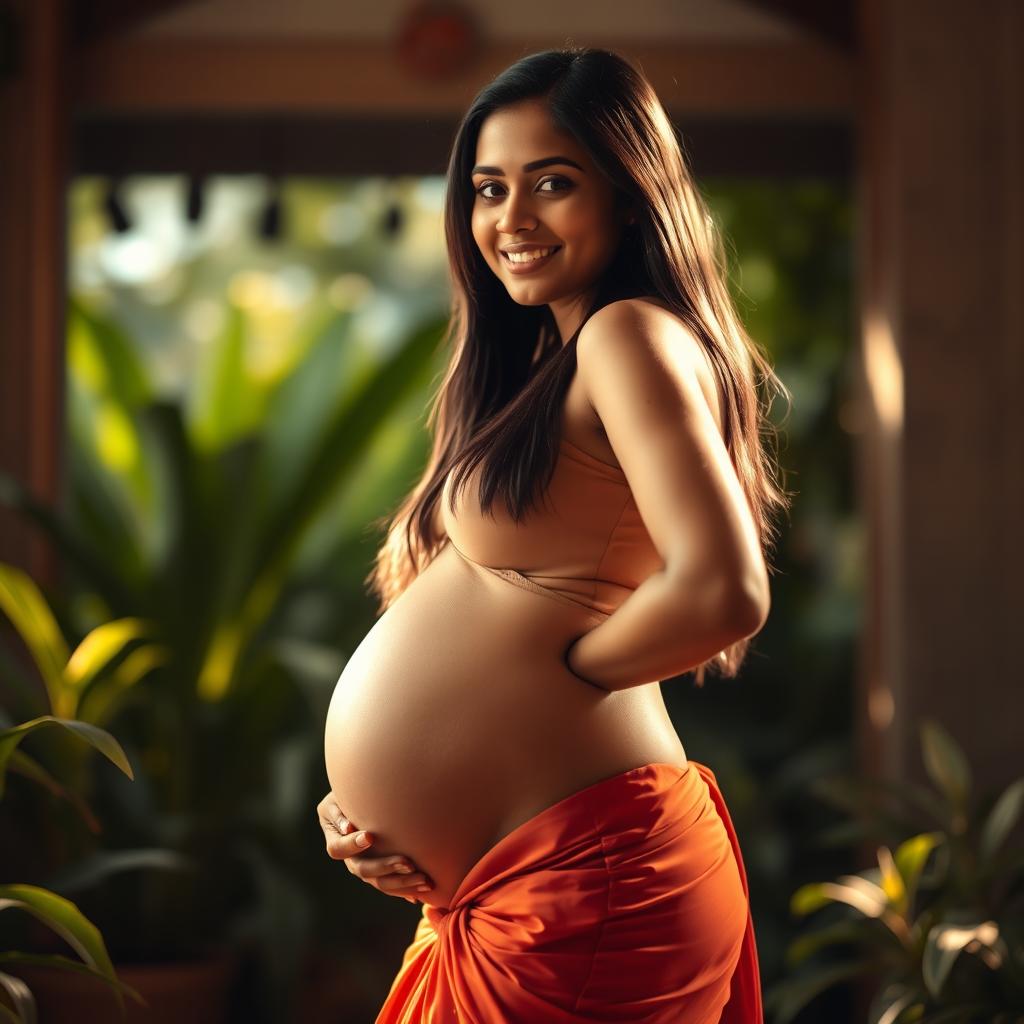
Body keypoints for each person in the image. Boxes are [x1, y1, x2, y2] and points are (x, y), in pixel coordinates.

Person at [317, 45, 790, 1023]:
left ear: (629, 195)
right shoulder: (554, 358)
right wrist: (372, 807)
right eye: (489, 188)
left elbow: (722, 588)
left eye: (553, 183)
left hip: (588, 884)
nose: (510, 218)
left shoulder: (624, 335)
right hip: (520, 883)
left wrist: (558, 675)